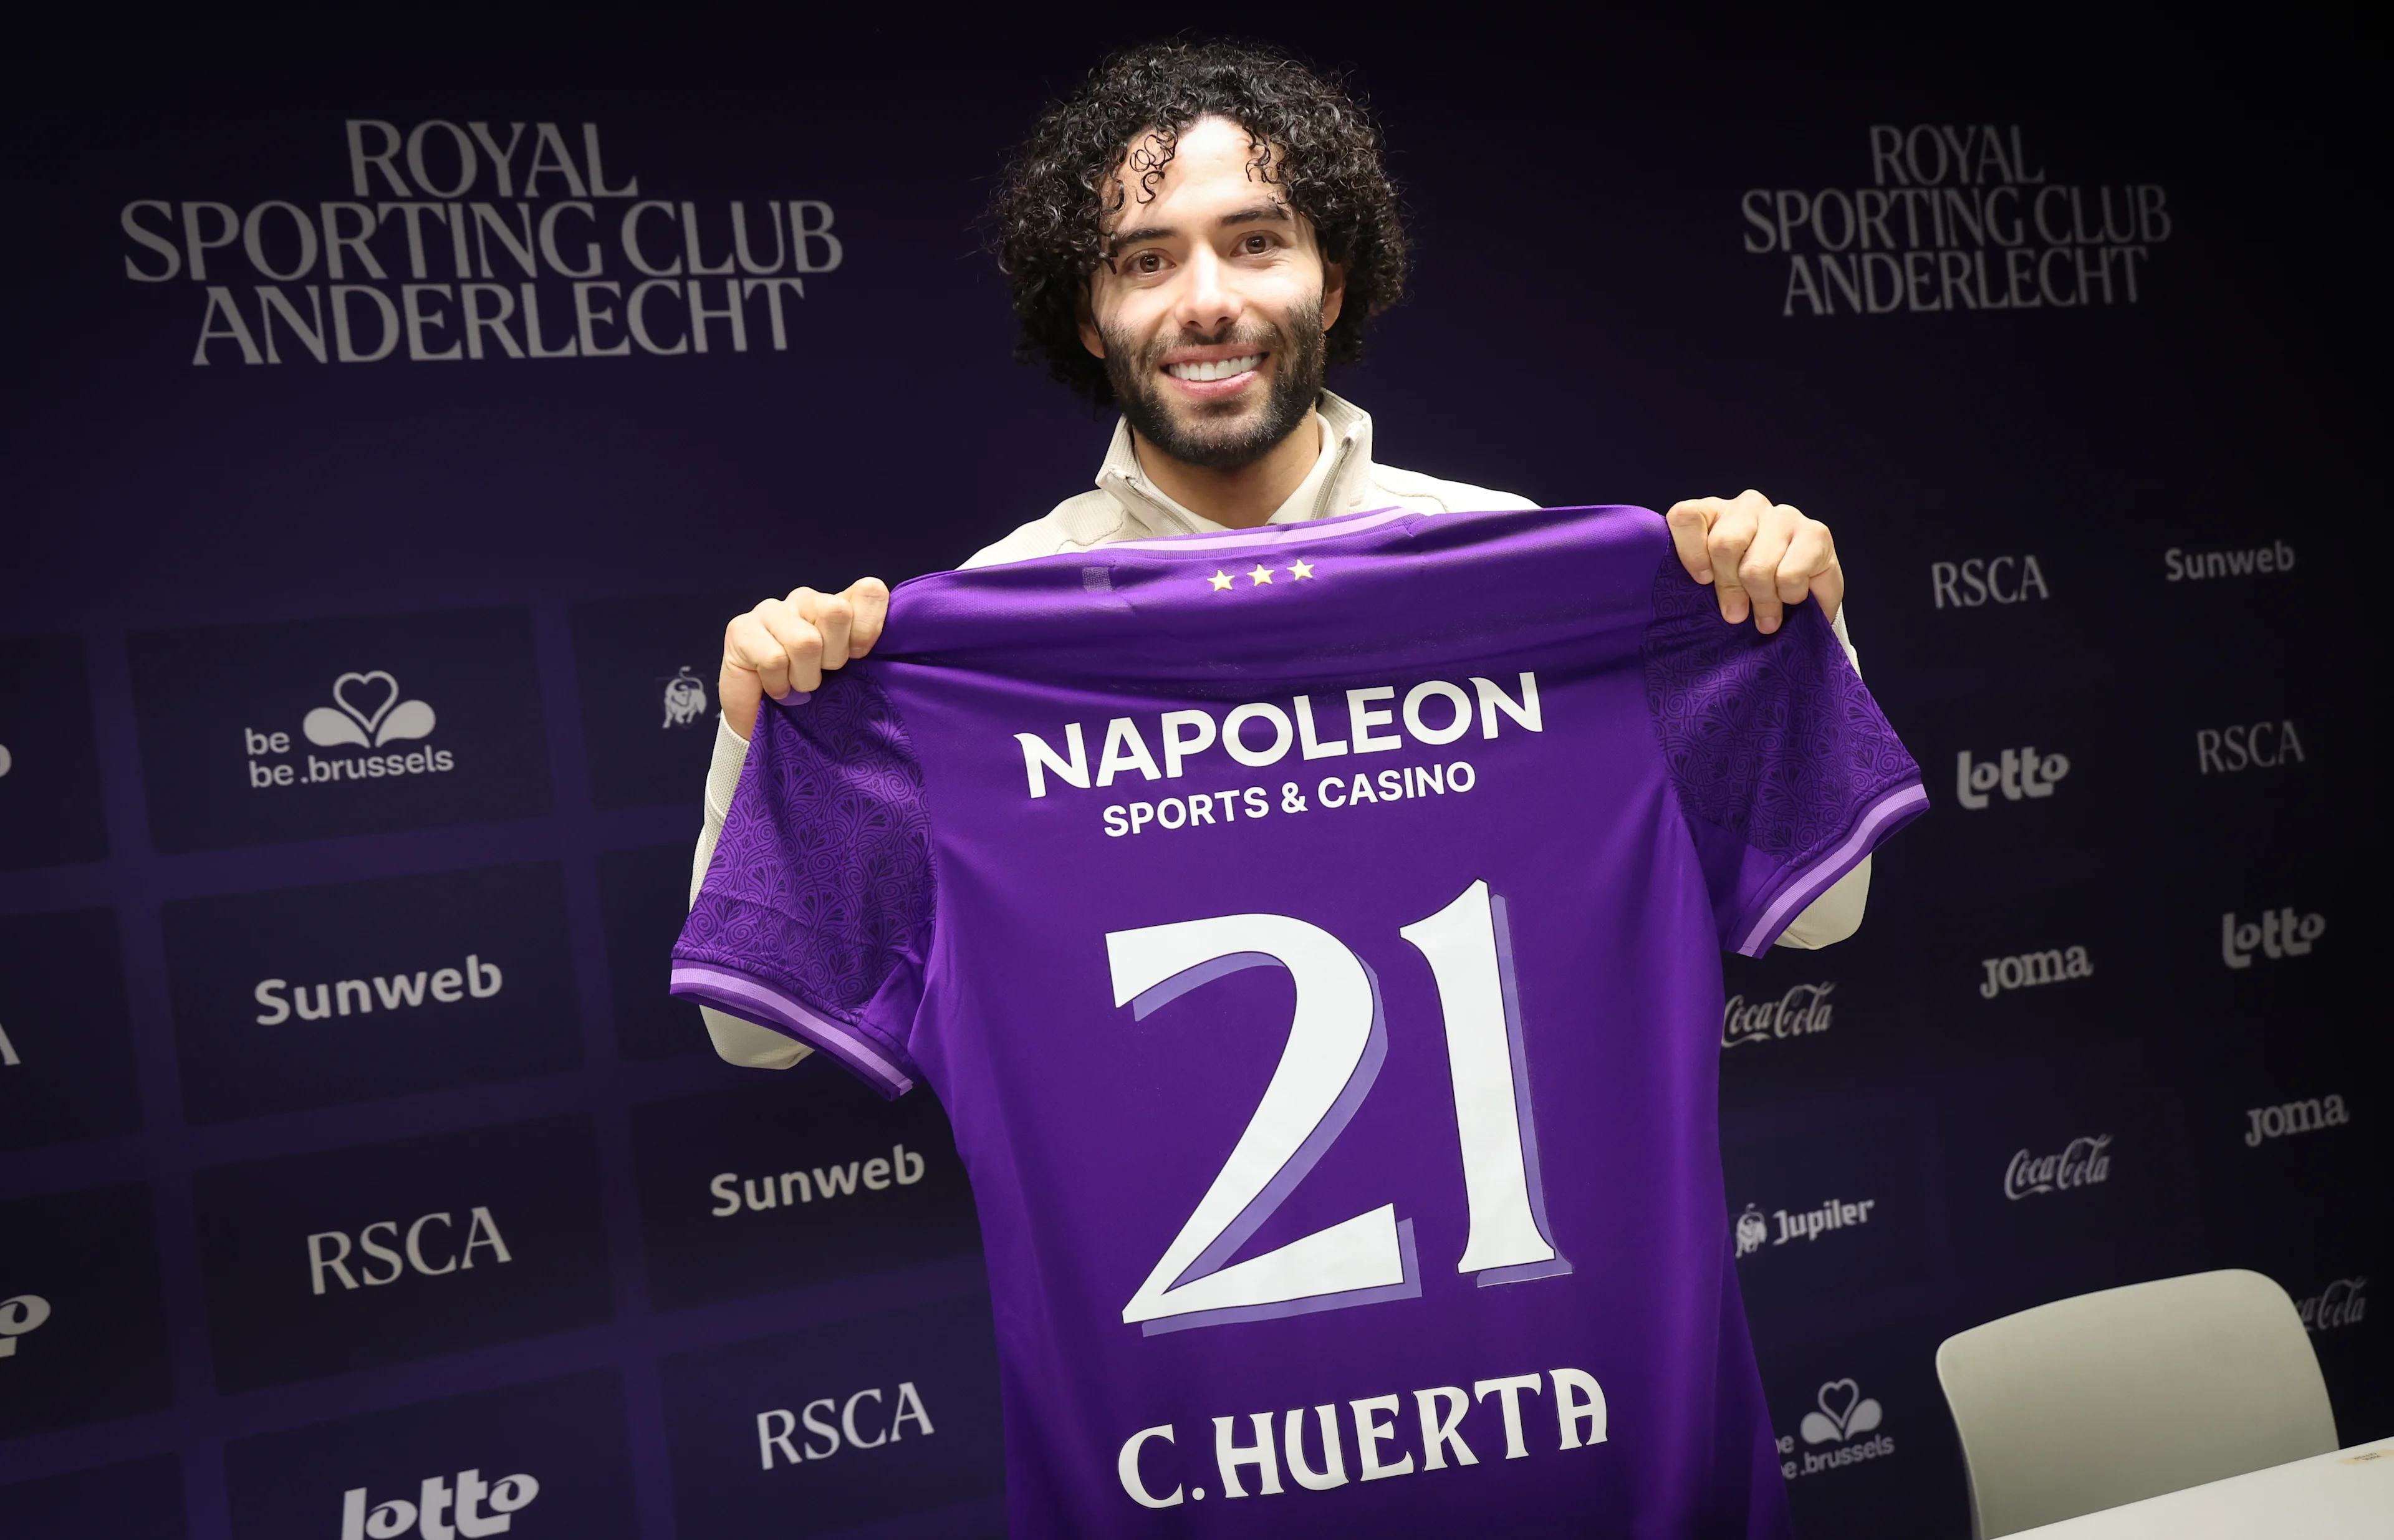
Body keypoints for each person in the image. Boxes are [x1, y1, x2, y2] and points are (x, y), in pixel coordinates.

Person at [694, 40, 1865, 1071]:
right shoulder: (988, 625)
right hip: (1164, 1321)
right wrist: (767, 732)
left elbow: (1829, 912)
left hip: (1536, 1304)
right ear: (1090, 313)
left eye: (1256, 243)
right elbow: (757, 1035)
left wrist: (1787, 626)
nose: (1206, 301)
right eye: (1146, 260)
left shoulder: (1522, 569)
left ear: (1333, 279)